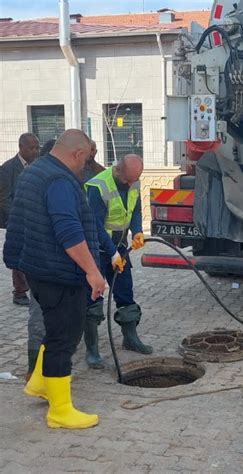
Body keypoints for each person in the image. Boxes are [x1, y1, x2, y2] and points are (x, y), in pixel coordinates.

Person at [3, 129, 106, 430]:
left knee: (54, 327)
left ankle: (40, 383)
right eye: (85, 159)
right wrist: (93, 271)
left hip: (36, 267)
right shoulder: (60, 181)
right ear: (77, 154)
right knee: (65, 337)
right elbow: (69, 232)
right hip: (58, 273)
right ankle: (60, 411)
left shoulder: (35, 171)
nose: (84, 166)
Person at [84, 154, 151, 370]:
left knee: (124, 292)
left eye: (135, 180)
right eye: (128, 180)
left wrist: (138, 231)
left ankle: (130, 339)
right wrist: (111, 252)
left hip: (120, 248)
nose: (131, 184)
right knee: (94, 296)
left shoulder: (133, 181)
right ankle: (92, 350)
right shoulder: (98, 186)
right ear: (117, 170)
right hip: (97, 250)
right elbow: (94, 225)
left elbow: (135, 209)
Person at [25, 138, 56, 380]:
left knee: (47, 316)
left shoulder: (37, 176)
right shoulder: (46, 181)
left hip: (40, 259)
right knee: (41, 316)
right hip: (42, 261)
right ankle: (35, 371)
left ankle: (40, 371)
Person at [0, 133, 40, 305]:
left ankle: (35, 286)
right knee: (19, 253)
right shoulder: (8, 168)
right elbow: (4, 198)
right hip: (17, 220)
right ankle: (20, 291)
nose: (36, 151)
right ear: (21, 147)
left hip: (35, 218)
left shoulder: (38, 166)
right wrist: (16, 217)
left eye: (37, 147)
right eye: (32, 148)